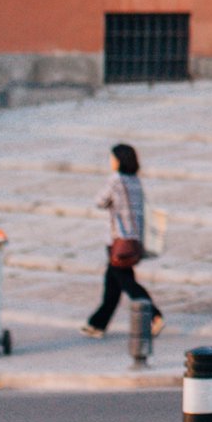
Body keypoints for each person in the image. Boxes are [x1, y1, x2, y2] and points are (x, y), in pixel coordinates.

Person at [81, 141, 162, 340]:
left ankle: (154, 315)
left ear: (119, 160)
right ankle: (97, 324)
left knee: (126, 282)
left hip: (119, 240)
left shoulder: (116, 180)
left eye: (112, 158)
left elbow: (100, 201)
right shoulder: (135, 181)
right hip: (134, 239)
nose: (111, 162)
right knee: (113, 283)